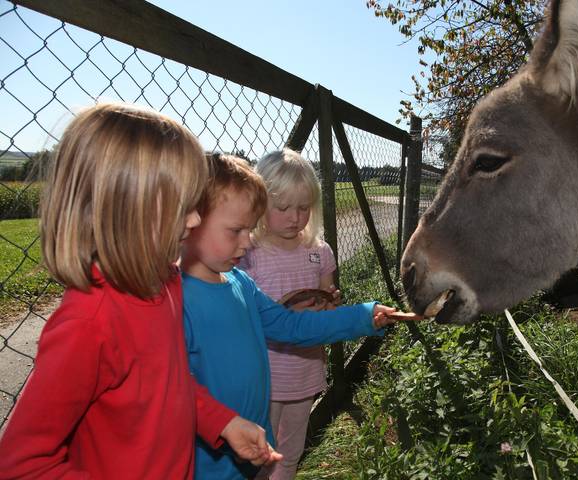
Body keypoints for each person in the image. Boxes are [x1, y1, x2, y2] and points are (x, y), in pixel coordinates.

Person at [0, 103, 280, 479]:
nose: (196, 220)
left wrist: (223, 422)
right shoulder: (88, 322)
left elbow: (170, 385)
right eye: (185, 207)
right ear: (130, 209)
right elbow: (21, 465)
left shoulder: (164, 285)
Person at [180, 153, 408, 480]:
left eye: (249, 229)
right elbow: (172, 387)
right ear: (190, 220)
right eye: (236, 231)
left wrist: (362, 316)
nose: (247, 243)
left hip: (252, 448)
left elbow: (292, 326)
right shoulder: (174, 300)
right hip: (209, 461)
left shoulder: (240, 283)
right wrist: (223, 423)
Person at [240, 149, 339, 480]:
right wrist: (282, 313)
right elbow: (239, 314)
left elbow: (327, 299)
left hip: (305, 370)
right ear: (259, 205)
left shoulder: (318, 251)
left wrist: (328, 305)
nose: (295, 217)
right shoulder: (248, 254)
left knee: (291, 450)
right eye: (282, 208)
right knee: (258, 451)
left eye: (303, 208)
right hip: (264, 375)